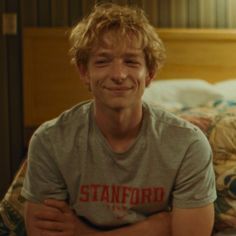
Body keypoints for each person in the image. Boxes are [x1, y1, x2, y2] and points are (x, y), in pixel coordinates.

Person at [22, 3, 217, 236]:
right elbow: (44, 231)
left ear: (150, 74)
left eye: (131, 62)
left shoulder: (188, 144)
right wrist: (158, 226)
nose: (118, 75)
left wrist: (83, 232)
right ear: (85, 72)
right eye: (103, 61)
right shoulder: (50, 140)